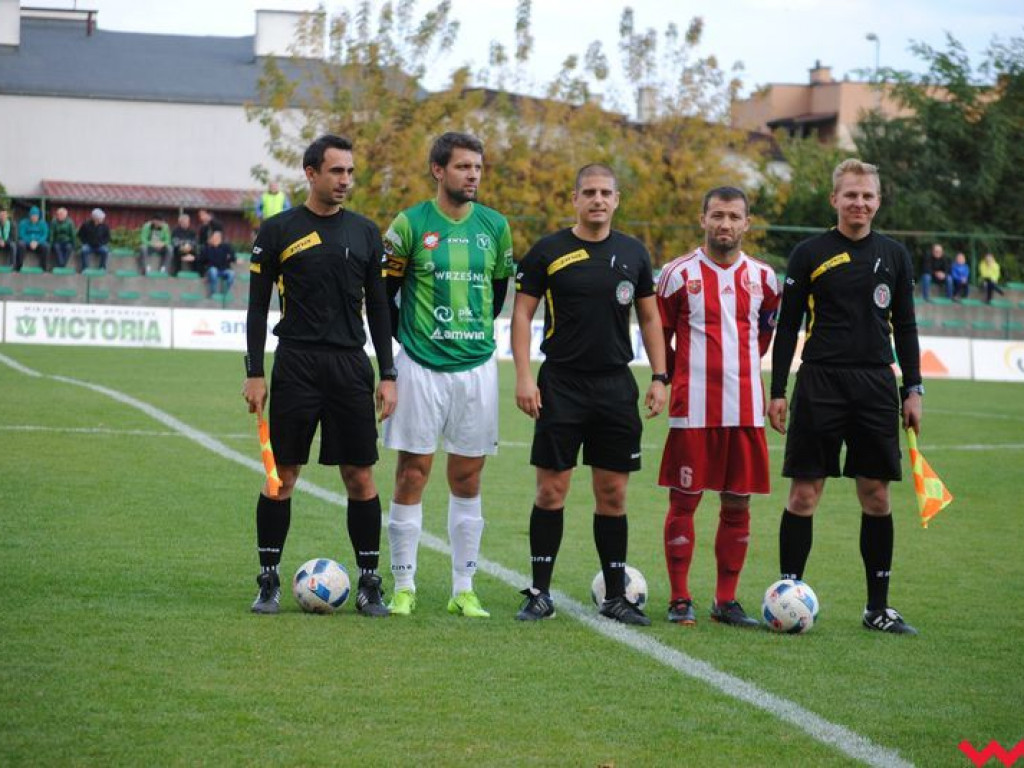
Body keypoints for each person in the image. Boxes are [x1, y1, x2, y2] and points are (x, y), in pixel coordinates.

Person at [242, 133, 397, 617]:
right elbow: (255, 307)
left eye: (350, 172)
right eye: (336, 171)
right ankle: (268, 579)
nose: (345, 181)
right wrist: (255, 372)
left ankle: (370, 581)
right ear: (311, 173)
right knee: (281, 476)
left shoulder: (366, 233)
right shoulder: (277, 231)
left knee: (360, 475)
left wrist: (387, 372)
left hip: (350, 365)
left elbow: (378, 307)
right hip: (296, 364)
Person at [767, 158, 923, 635]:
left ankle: (878, 607)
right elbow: (788, 324)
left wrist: (912, 387)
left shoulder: (894, 256)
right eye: (850, 194)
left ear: (878, 201)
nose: (859, 202)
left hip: (876, 384)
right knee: (803, 493)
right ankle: (786, 596)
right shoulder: (808, 253)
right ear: (834, 199)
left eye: (867, 195)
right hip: (819, 382)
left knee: (876, 496)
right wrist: (778, 390)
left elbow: (908, 325)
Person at [511, 163, 668, 626]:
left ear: (617, 199)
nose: (598, 200)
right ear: (575, 198)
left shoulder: (634, 253)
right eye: (589, 192)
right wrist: (524, 377)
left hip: (616, 386)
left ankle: (616, 596)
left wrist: (660, 376)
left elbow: (651, 319)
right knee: (551, 490)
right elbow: (522, 316)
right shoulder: (548, 251)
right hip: (561, 382)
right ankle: (539, 592)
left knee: (613, 494)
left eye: (605, 192)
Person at [381, 132, 514, 619]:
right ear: (438, 170)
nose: (473, 175)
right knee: (412, 472)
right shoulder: (409, 224)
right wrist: (401, 348)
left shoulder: (495, 226)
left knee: (467, 474)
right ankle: (404, 586)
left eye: (477, 167)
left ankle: (464, 588)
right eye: (463, 167)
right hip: (420, 364)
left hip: (477, 367)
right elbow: (383, 293)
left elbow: (498, 292)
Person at [655, 186, 781, 628]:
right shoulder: (676, 274)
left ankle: (725, 601)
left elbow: (764, 338)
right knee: (684, 501)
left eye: (733, 217)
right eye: (717, 216)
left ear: (747, 223)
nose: (724, 224)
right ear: (703, 219)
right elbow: (661, 337)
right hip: (693, 409)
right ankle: (679, 598)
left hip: (745, 408)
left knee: (737, 505)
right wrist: (667, 380)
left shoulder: (765, 279)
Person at [198, 229, 236, 297]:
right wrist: (203, 275)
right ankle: (213, 293)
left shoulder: (225, 247)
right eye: (214, 237)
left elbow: (233, 257)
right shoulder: (207, 248)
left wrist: (230, 258)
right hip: (211, 269)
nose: (215, 239)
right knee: (213, 271)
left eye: (217, 238)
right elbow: (201, 260)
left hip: (224, 269)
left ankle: (225, 293)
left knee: (232, 273)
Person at [17, 206, 50, 271]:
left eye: (36, 216)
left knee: (46, 246)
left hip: (38, 243)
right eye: (32, 215)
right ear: (30, 215)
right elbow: (21, 234)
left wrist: (37, 242)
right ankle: (19, 266)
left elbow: (45, 235)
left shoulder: (43, 224)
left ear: (38, 216)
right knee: (20, 244)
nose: (34, 217)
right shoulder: (24, 223)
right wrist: (30, 242)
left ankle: (44, 266)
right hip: (27, 243)